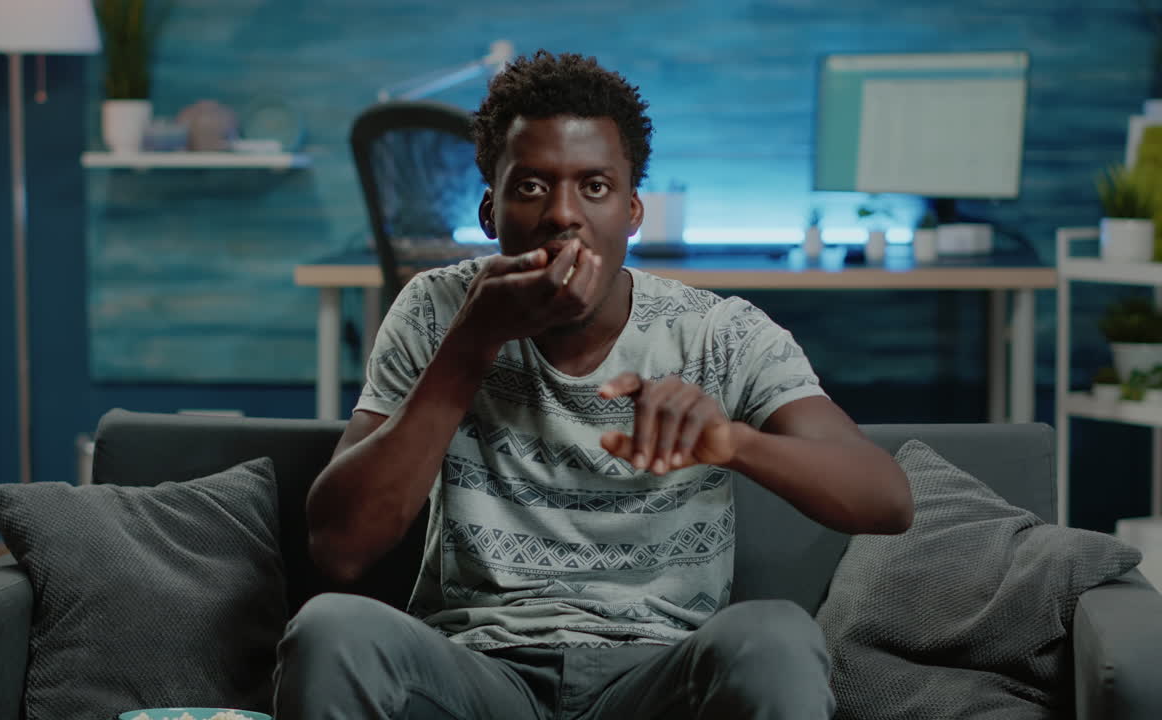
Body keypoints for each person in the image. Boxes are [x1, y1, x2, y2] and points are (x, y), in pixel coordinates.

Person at [275, 50, 913, 720]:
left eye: (595, 187)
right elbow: (339, 550)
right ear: (490, 212)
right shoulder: (437, 311)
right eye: (530, 187)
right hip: (477, 674)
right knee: (332, 629)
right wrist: (470, 345)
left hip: (658, 677)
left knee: (777, 635)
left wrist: (730, 442)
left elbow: (886, 501)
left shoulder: (718, 334)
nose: (562, 215)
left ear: (632, 212)